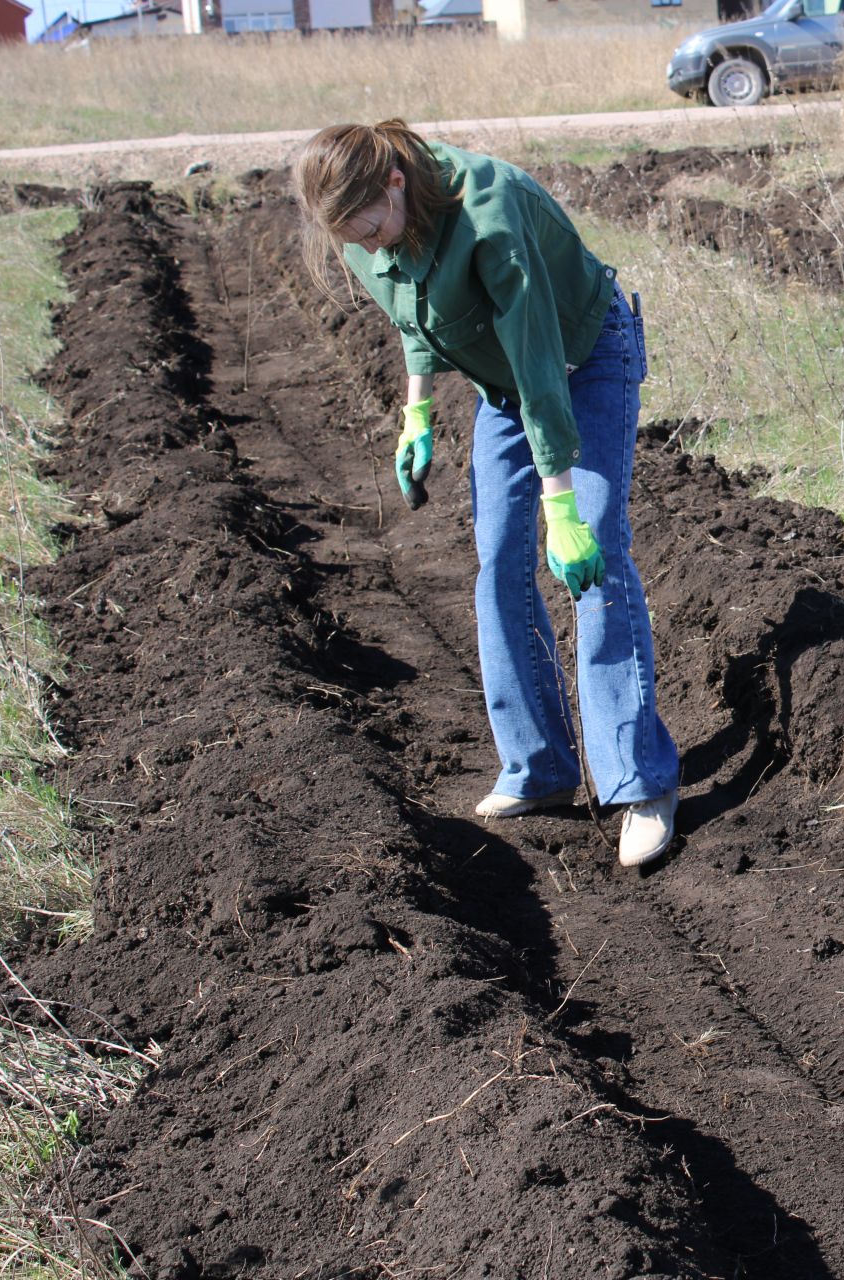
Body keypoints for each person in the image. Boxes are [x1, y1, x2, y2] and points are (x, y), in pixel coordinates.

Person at [292, 120, 679, 869]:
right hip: (501, 383)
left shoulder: (488, 209)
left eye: (369, 226)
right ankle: (539, 766)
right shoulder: (366, 233)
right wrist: (417, 412)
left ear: (395, 184)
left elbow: (540, 364)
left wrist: (561, 508)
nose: (367, 247)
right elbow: (412, 310)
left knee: (594, 555)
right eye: (351, 237)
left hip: (580, 357)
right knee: (498, 559)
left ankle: (641, 782)